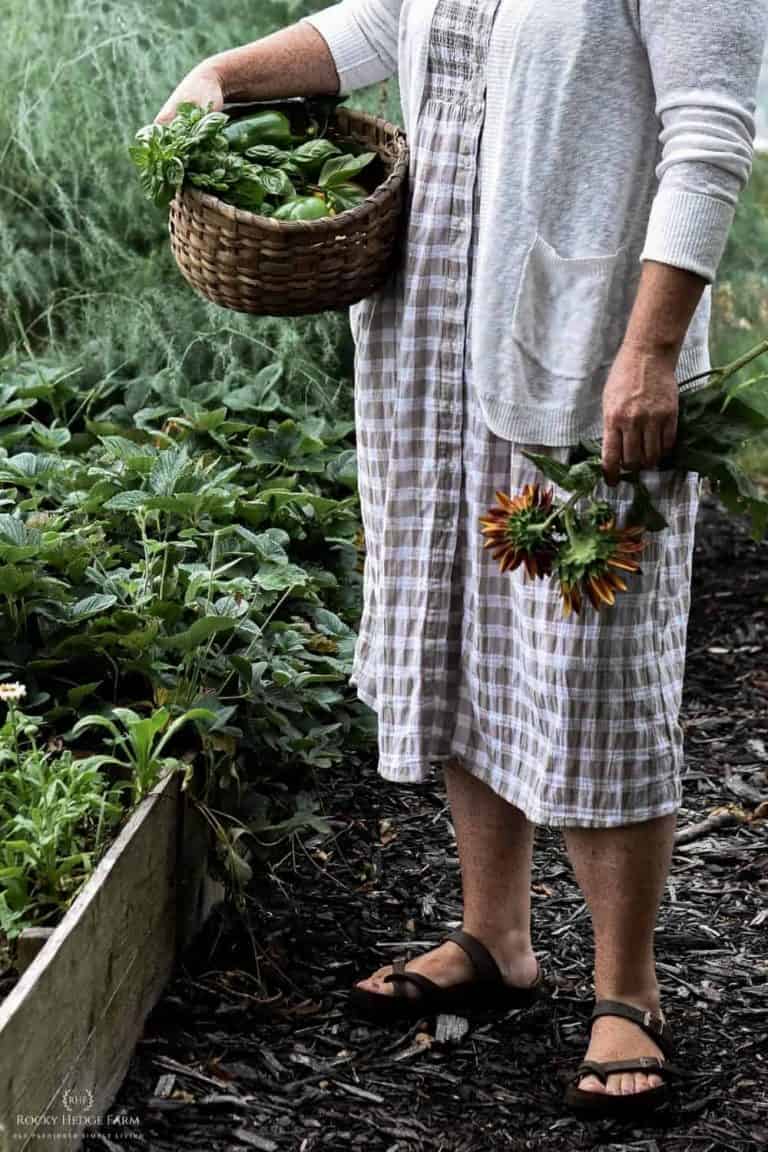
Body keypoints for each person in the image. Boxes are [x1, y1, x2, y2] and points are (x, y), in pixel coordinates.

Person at [156, 0, 768, 1117]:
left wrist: (652, 349)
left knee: (596, 662)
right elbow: (382, 25)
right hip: (428, 319)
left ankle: (629, 989)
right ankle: (497, 939)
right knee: (455, 626)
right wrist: (226, 73)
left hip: (584, 330)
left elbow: (710, 132)